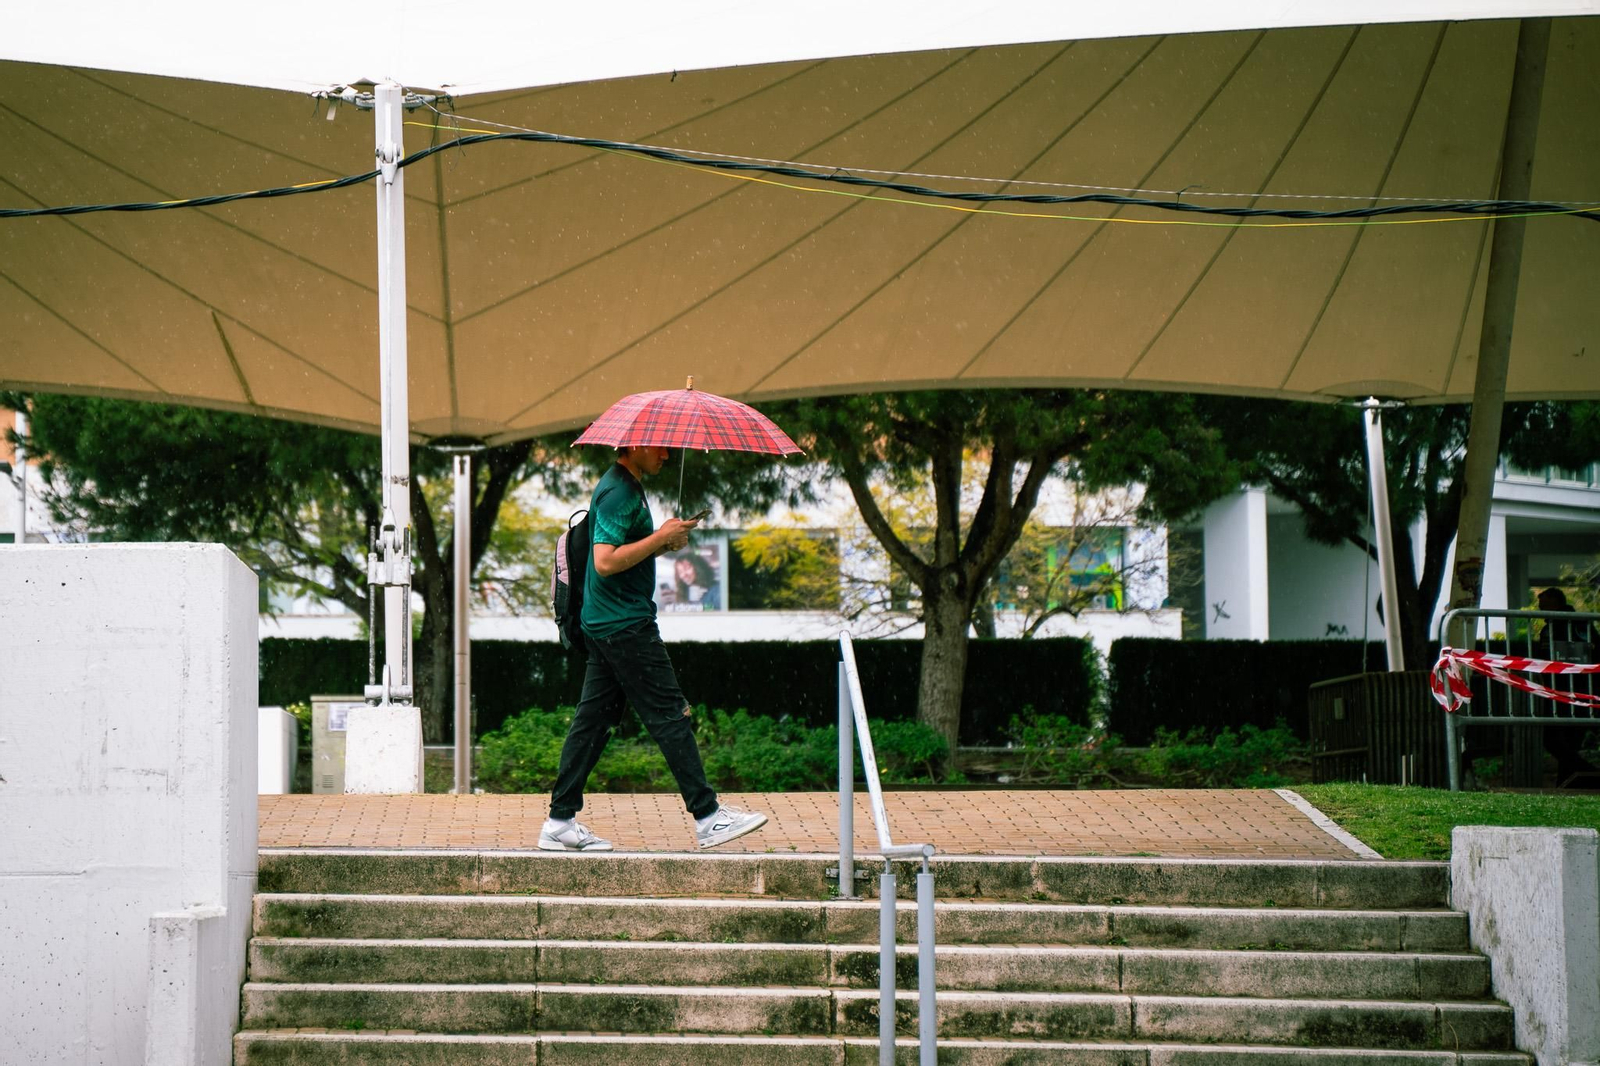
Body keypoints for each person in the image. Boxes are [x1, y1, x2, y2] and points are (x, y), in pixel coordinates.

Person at [540, 444, 767, 852]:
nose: (667, 454)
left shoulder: (627, 486)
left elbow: (622, 554)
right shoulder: (619, 492)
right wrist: (659, 537)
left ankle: (559, 821)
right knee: (670, 716)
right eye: (661, 447)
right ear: (636, 444)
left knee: (593, 723)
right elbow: (606, 561)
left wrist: (664, 542)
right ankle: (709, 816)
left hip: (607, 622)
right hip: (624, 626)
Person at [1533, 587, 1599, 787]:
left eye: (1542, 601)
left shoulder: (1575, 624)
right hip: (1560, 690)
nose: (1539, 606)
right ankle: (1573, 779)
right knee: (1563, 740)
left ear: (1554, 601)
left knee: (1560, 739)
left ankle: (1586, 776)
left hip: (1574, 689)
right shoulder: (1554, 626)